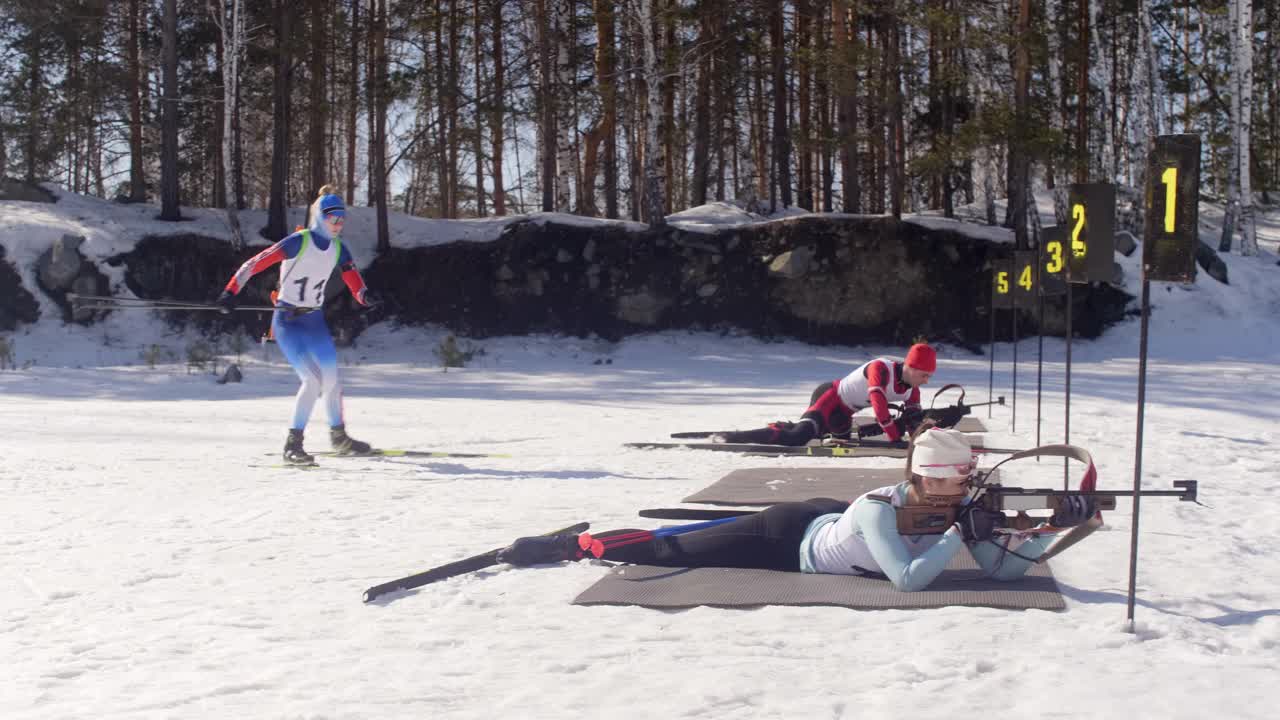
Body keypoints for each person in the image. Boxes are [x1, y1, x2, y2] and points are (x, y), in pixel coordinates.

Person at [497, 424, 1096, 592]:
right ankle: (573, 544)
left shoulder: (951, 506)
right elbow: (910, 581)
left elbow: (1001, 571)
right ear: (931, 480)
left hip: (826, 516)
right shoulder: (884, 512)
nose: (967, 489)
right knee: (672, 547)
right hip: (785, 540)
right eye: (959, 479)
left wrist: (1054, 533)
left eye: (969, 480)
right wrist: (954, 535)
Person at [217, 185, 379, 464]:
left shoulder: (338, 248)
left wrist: (364, 296)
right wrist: (230, 292)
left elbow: (352, 276)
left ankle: (339, 437)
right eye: (332, 218)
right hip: (288, 320)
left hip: (314, 320)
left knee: (331, 379)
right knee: (313, 380)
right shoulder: (299, 241)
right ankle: (293, 444)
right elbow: (255, 264)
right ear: (319, 217)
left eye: (342, 219)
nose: (338, 225)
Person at [713, 342, 937, 446]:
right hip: (829, 397)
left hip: (845, 414)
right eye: (925, 375)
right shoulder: (881, 368)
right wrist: (894, 437)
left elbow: (913, 420)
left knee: (831, 440)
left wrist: (920, 438)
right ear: (912, 368)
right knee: (798, 438)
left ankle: (788, 425)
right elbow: (878, 404)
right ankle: (732, 436)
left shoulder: (913, 391)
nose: (927, 381)